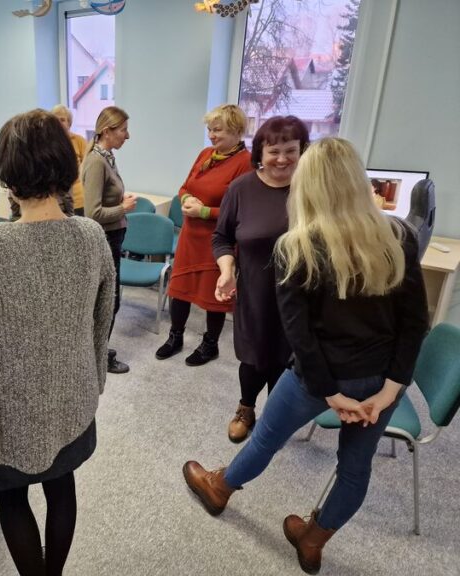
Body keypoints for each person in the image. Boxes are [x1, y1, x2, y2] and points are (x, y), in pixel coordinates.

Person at [183, 137, 429, 575]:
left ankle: (219, 488)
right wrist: (391, 389)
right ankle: (314, 539)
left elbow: (301, 336)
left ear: (308, 185)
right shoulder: (399, 237)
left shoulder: (295, 245)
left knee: (265, 440)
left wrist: (331, 394)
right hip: (380, 381)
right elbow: (414, 324)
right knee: (355, 468)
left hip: (317, 378)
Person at [0, 109, 114, 576]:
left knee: (12, 496)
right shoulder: (91, 236)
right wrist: (93, 381)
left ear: (7, 173)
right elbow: (102, 322)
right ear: (66, 164)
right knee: (62, 487)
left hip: (9, 408)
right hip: (72, 398)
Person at [211, 115, 309, 443]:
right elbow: (222, 237)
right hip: (254, 292)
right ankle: (246, 407)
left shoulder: (311, 192)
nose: (282, 158)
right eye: (274, 151)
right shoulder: (242, 189)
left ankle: (275, 417)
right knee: (253, 357)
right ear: (260, 153)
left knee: (286, 359)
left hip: (300, 296)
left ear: (302, 151)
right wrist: (227, 271)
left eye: (290, 150)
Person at [155, 104, 253, 366]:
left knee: (214, 297)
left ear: (236, 130)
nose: (211, 135)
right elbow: (185, 186)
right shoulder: (206, 154)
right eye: (210, 129)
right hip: (190, 236)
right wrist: (186, 199)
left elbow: (242, 211)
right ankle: (175, 337)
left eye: (218, 130)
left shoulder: (245, 163)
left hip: (217, 241)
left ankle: (210, 344)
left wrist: (205, 211)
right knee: (180, 289)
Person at [82, 105, 136, 374]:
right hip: (103, 240)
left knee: (108, 301)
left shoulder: (107, 157)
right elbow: (92, 213)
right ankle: (97, 356)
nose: (127, 136)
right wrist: (123, 209)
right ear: (107, 131)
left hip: (113, 238)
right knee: (107, 301)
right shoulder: (96, 162)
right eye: (123, 130)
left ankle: (98, 350)